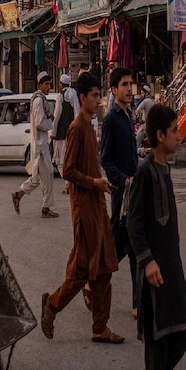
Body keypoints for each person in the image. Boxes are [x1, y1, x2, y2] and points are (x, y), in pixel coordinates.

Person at [40, 72, 125, 345]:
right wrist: (94, 182)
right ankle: (52, 305)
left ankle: (100, 327)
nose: (99, 100)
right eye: (95, 95)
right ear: (83, 97)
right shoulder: (77, 128)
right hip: (83, 208)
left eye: (100, 95)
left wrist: (102, 184)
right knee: (82, 271)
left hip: (97, 205)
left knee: (104, 268)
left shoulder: (90, 127)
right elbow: (68, 171)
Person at [127, 103, 186, 370]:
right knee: (158, 339)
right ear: (159, 136)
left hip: (172, 268)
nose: (179, 137)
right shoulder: (144, 172)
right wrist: (147, 260)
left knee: (183, 332)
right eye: (174, 132)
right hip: (154, 270)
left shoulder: (164, 169)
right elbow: (133, 222)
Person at [100, 66, 139, 318]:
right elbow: (105, 158)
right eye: (124, 85)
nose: (128, 89)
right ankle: (92, 282)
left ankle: (137, 302)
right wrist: (123, 180)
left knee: (134, 248)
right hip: (120, 193)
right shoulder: (112, 119)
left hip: (133, 193)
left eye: (130, 84)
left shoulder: (128, 116)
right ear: (114, 90)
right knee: (116, 249)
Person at [12, 71, 57, 218]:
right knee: (48, 175)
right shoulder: (38, 100)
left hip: (41, 144)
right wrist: (50, 121)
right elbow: (39, 123)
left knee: (39, 178)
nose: (48, 87)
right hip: (40, 146)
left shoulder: (41, 99)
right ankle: (45, 208)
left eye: (49, 84)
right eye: (46, 84)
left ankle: (19, 195)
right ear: (40, 85)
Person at [50, 73, 80, 193]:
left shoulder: (60, 97)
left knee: (60, 160)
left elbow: (56, 116)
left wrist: (53, 131)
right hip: (71, 132)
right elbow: (77, 111)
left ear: (61, 84)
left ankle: (68, 182)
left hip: (62, 133)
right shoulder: (73, 94)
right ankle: (69, 183)